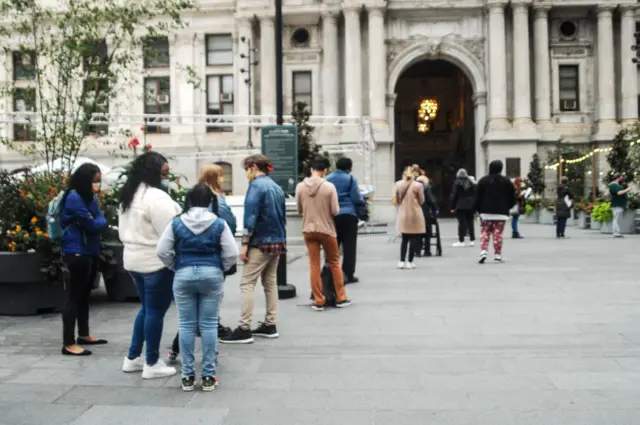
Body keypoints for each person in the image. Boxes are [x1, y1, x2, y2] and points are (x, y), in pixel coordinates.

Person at [156, 184, 239, 392]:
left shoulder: (176, 223)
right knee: (209, 325)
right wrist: (220, 269)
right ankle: (209, 376)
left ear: (189, 200)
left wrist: (176, 266)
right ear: (210, 201)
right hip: (211, 273)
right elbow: (231, 253)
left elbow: (162, 251)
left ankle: (187, 376)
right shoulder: (219, 223)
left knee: (186, 325)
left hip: (183, 273)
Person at [119, 151, 182, 379]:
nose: (167, 176)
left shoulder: (130, 194)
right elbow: (172, 231)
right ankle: (152, 362)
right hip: (156, 262)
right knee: (155, 311)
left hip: (133, 259)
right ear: (154, 172)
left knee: (146, 309)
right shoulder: (157, 198)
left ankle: (133, 357)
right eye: (164, 172)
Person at [168, 163, 237, 362]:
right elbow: (230, 231)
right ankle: (210, 360)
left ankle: (178, 354)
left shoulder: (188, 205)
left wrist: (176, 264)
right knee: (208, 319)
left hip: (185, 266)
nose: (223, 179)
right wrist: (221, 265)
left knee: (188, 319)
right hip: (212, 264)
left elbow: (164, 248)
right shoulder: (218, 203)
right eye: (221, 175)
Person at [220, 154, 286, 344]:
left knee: (247, 283)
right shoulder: (276, 187)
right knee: (270, 283)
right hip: (277, 241)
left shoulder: (256, 187)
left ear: (254, 167)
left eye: (247, 169)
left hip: (260, 242)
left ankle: (244, 328)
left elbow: (250, 217)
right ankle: (270, 324)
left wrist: (245, 243)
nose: (247, 173)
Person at [59, 163, 108, 356]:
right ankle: (68, 343)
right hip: (76, 252)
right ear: (85, 180)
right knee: (73, 296)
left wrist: (97, 219)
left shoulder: (88, 197)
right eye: (94, 181)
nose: (97, 185)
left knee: (84, 295)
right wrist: (97, 219)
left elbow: (97, 219)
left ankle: (84, 334)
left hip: (89, 251)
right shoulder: (73, 198)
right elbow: (94, 225)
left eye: (98, 181)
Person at [297, 156, 352, 311]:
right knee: (334, 262)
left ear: (311, 169)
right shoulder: (329, 187)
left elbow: (299, 209)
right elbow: (335, 210)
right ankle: (341, 297)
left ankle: (318, 300)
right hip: (327, 229)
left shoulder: (300, 187)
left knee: (314, 264)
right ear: (326, 170)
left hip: (308, 229)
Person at [325, 157, 365, 284]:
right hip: (349, 215)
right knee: (350, 246)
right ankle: (348, 274)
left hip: (333, 215)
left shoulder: (327, 179)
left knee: (333, 245)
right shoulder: (351, 179)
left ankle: (331, 272)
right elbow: (356, 197)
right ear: (349, 167)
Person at [475, 160, 516, 264]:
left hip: (485, 212)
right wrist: (508, 206)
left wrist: (478, 209)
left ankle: (483, 251)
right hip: (501, 212)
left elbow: (477, 197)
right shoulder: (506, 181)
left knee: (485, 232)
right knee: (498, 233)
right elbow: (512, 197)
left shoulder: (483, 180)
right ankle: (497, 255)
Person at [394, 166, 425, 269]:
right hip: (415, 213)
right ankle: (410, 261)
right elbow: (421, 201)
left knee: (404, 239)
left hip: (404, 213)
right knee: (413, 238)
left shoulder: (398, 184)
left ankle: (402, 261)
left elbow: (398, 201)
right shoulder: (418, 185)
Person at [450, 168, 476, 247]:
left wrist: (452, 206)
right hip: (470, 205)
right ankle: (472, 240)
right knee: (470, 222)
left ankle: (461, 240)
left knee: (461, 223)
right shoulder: (471, 182)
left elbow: (454, 195)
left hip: (460, 204)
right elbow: (475, 193)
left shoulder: (457, 182)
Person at [416, 175, 438, 257]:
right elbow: (431, 200)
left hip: (415, 212)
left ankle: (417, 250)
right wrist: (435, 210)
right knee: (427, 232)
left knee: (416, 232)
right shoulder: (426, 188)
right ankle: (427, 251)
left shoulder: (412, 187)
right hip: (425, 212)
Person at [609, 172, 630, 238]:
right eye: (621, 177)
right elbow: (619, 193)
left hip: (619, 204)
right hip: (616, 204)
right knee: (616, 219)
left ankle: (617, 232)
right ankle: (616, 233)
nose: (622, 178)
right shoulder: (613, 185)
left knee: (617, 219)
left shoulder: (617, 185)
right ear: (618, 177)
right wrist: (627, 190)